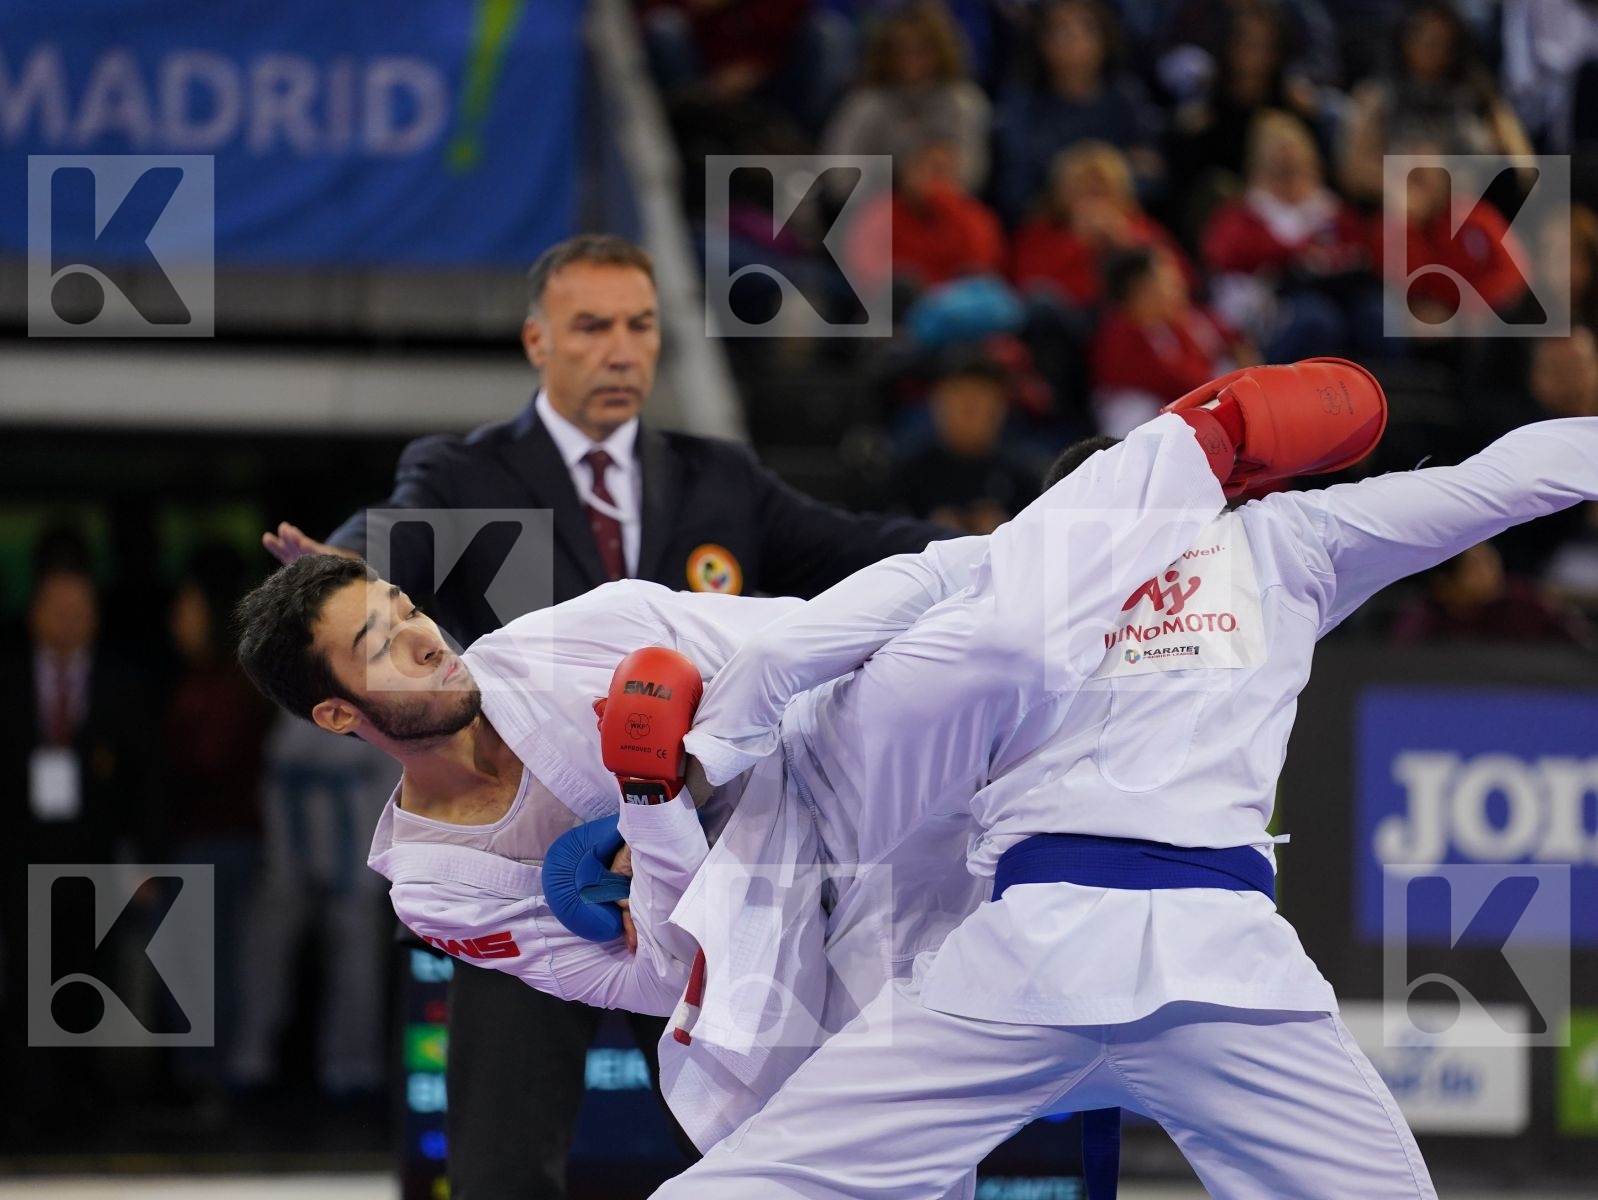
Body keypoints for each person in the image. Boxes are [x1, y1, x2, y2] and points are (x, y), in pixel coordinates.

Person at [234, 360, 1382, 1175]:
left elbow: (806, 660)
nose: (422, 633)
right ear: (340, 714)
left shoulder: (576, 645)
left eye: (401, 604)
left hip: (860, 790)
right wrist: (656, 815)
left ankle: (1179, 467)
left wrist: (688, 760)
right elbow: (649, 981)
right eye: (378, 642)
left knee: (953, 621)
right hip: (763, 995)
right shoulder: (437, 888)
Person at [644, 411, 1598, 1200]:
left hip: (1021, 962)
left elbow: (784, 655)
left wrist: (691, 770)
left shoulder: (1004, 564)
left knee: (771, 1181)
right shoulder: (1282, 538)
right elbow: (1500, 480)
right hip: (1221, 971)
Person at [261, 232, 947, 1200]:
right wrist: (333, 564)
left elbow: (851, 548)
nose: (620, 349)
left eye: (639, 326)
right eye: (590, 327)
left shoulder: (719, 476)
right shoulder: (465, 474)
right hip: (522, 884)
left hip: (704, 867)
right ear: (537, 341)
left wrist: (996, 548)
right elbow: (384, 551)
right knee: (501, 1169)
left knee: (746, 1150)